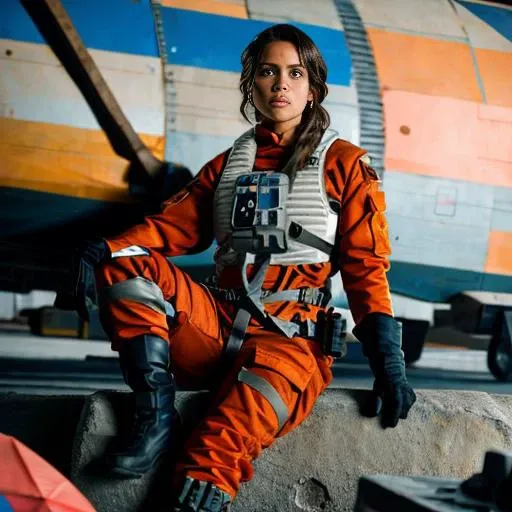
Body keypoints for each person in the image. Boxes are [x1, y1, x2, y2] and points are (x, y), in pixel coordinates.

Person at [65, 24, 416, 512]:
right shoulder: (231, 164)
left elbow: (365, 270)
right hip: (216, 329)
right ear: (252, 85)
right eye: (268, 72)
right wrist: (106, 250)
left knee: (215, 455)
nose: (281, 84)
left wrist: (390, 366)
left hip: (290, 343)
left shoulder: (344, 165)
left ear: (313, 88)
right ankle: (154, 416)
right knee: (129, 264)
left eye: (295, 73)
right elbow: (168, 230)